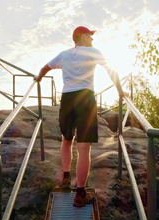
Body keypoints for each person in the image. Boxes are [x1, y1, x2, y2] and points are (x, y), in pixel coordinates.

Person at [34, 26, 127, 207]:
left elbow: (45, 68)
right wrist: (120, 92)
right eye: (91, 36)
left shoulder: (64, 54)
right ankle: (80, 194)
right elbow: (111, 71)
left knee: (66, 139)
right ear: (83, 36)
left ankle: (66, 177)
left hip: (68, 99)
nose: (92, 40)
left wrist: (38, 77)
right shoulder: (93, 52)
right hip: (85, 98)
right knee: (84, 148)